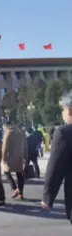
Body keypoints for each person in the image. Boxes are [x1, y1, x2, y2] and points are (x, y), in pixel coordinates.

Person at [42, 91, 72, 224]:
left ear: (69, 110)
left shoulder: (64, 133)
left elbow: (55, 167)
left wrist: (48, 197)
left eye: (63, 110)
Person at [2, 122, 28, 200]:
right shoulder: (21, 132)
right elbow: (26, 146)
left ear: (5, 127)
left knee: (6, 172)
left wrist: (3, 158)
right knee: (19, 174)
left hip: (10, 157)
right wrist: (26, 156)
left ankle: (14, 188)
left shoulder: (8, 133)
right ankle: (21, 193)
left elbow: (5, 147)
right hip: (20, 156)